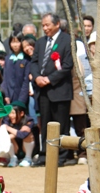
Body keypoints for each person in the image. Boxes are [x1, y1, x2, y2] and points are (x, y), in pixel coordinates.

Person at [30, 13, 73, 167]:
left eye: (48, 25)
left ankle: (61, 155)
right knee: (46, 123)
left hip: (60, 89)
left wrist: (50, 79)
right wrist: (37, 77)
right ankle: (44, 154)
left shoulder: (67, 40)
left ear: (57, 25)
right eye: (43, 25)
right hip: (43, 91)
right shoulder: (41, 42)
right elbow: (33, 62)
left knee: (61, 124)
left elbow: (68, 65)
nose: (45, 28)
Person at [2, 30, 30, 105]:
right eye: (12, 42)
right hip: (9, 97)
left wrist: (21, 100)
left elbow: (26, 81)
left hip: (22, 97)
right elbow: (5, 78)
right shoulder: (8, 59)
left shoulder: (26, 60)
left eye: (17, 42)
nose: (15, 45)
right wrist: (6, 95)